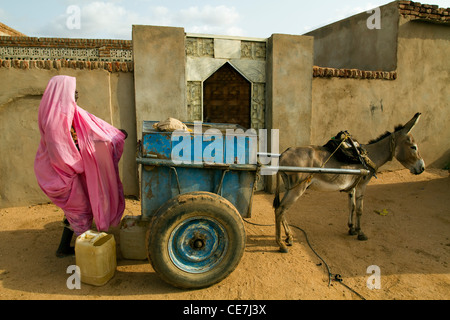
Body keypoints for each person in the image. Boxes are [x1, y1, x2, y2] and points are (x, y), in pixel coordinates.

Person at [34, 75, 127, 257]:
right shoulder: (56, 119)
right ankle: (86, 254)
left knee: (75, 210)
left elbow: (93, 129)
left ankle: (65, 247)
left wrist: (116, 135)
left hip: (70, 172)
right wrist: (87, 163)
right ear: (61, 93)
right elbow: (62, 155)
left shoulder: (68, 112)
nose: (76, 94)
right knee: (81, 209)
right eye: (72, 91)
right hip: (61, 175)